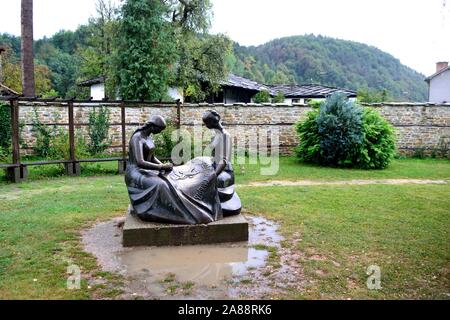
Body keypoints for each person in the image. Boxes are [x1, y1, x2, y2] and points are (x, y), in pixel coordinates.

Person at [125, 115, 224, 225]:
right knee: (161, 185)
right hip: (136, 173)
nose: (160, 132)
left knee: (173, 177)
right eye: (159, 130)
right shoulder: (137, 138)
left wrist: (164, 165)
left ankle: (182, 207)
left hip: (147, 170)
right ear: (153, 127)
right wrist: (161, 167)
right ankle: (173, 213)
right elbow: (140, 162)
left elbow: (151, 157)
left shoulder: (148, 137)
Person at [202, 110, 242, 217]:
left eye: (207, 123)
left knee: (208, 183)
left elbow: (224, 160)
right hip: (214, 167)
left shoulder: (225, 135)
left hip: (224, 171)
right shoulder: (215, 136)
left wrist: (214, 174)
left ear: (214, 121)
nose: (206, 126)